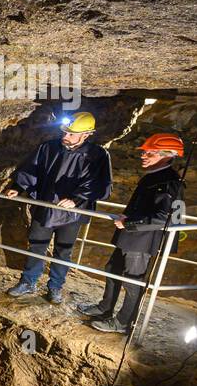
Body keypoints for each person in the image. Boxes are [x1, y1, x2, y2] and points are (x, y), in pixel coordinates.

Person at [77, 133, 186, 334]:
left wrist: (129, 223)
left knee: (133, 280)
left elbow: (164, 218)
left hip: (142, 241)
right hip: (131, 236)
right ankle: (105, 308)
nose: (143, 156)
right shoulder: (154, 177)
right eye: (144, 152)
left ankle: (123, 323)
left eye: (150, 153)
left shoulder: (170, 183)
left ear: (168, 155)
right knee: (112, 269)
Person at [5, 111, 112, 303]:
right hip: (46, 206)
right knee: (36, 245)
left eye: (71, 133)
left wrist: (76, 199)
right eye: (65, 132)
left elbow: (99, 183)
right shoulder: (49, 147)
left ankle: (55, 287)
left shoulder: (97, 155)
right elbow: (32, 168)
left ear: (86, 135)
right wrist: (17, 187)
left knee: (63, 250)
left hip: (72, 213)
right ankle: (28, 282)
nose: (65, 136)